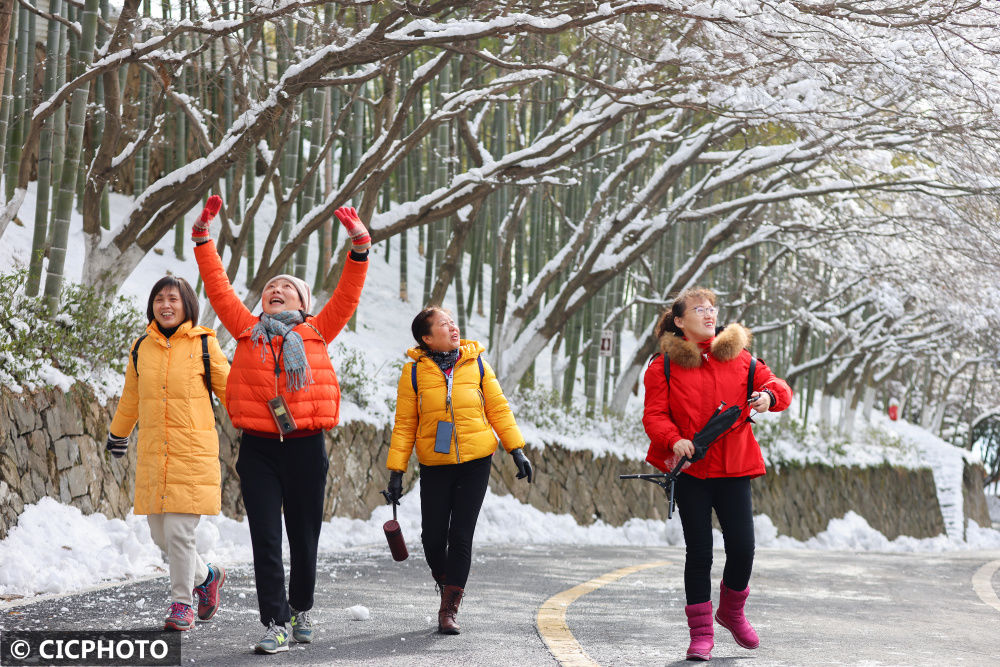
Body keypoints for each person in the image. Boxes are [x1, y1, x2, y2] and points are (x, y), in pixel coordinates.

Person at [191, 196, 370, 655]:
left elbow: (348, 292)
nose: (275, 291)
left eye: (285, 289)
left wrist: (359, 245)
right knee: (266, 537)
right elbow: (217, 287)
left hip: (307, 445)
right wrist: (203, 239)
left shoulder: (317, 331)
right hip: (260, 449)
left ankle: (301, 609)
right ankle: (274, 622)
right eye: (270, 288)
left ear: (303, 303)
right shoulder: (246, 329)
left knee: (304, 535)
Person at [641, 287, 791, 662]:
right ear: (679, 320)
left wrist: (769, 397)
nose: (709, 315)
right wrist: (674, 440)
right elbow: (654, 416)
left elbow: (780, 387)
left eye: (712, 309)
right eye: (698, 309)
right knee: (700, 552)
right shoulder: (663, 366)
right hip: (691, 470)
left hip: (735, 466)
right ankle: (701, 633)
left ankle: (732, 611)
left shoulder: (741, 359)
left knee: (743, 547)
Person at [384, 306, 533, 635]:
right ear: (427, 337)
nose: (453, 328)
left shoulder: (477, 363)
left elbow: (498, 408)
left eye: (453, 322)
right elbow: (405, 424)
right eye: (443, 324)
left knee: (460, 535)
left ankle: (449, 608)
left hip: (476, 460)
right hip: (435, 464)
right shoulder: (412, 373)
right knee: (432, 537)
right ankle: (448, 581)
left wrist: (516, 449)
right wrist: (397, 471)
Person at [106, 275, 231, 632]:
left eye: (173, 299)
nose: (165, 305)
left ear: (186, 303)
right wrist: (118, 433)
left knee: (178, 533)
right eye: (159, 299)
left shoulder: (205, 344)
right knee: (161, 535)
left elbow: (231, 390)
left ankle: (181, 603)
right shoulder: (141, 347)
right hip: (154, 454)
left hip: (192, 454)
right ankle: (207, 577)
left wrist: (260, 421)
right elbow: (132, 397)